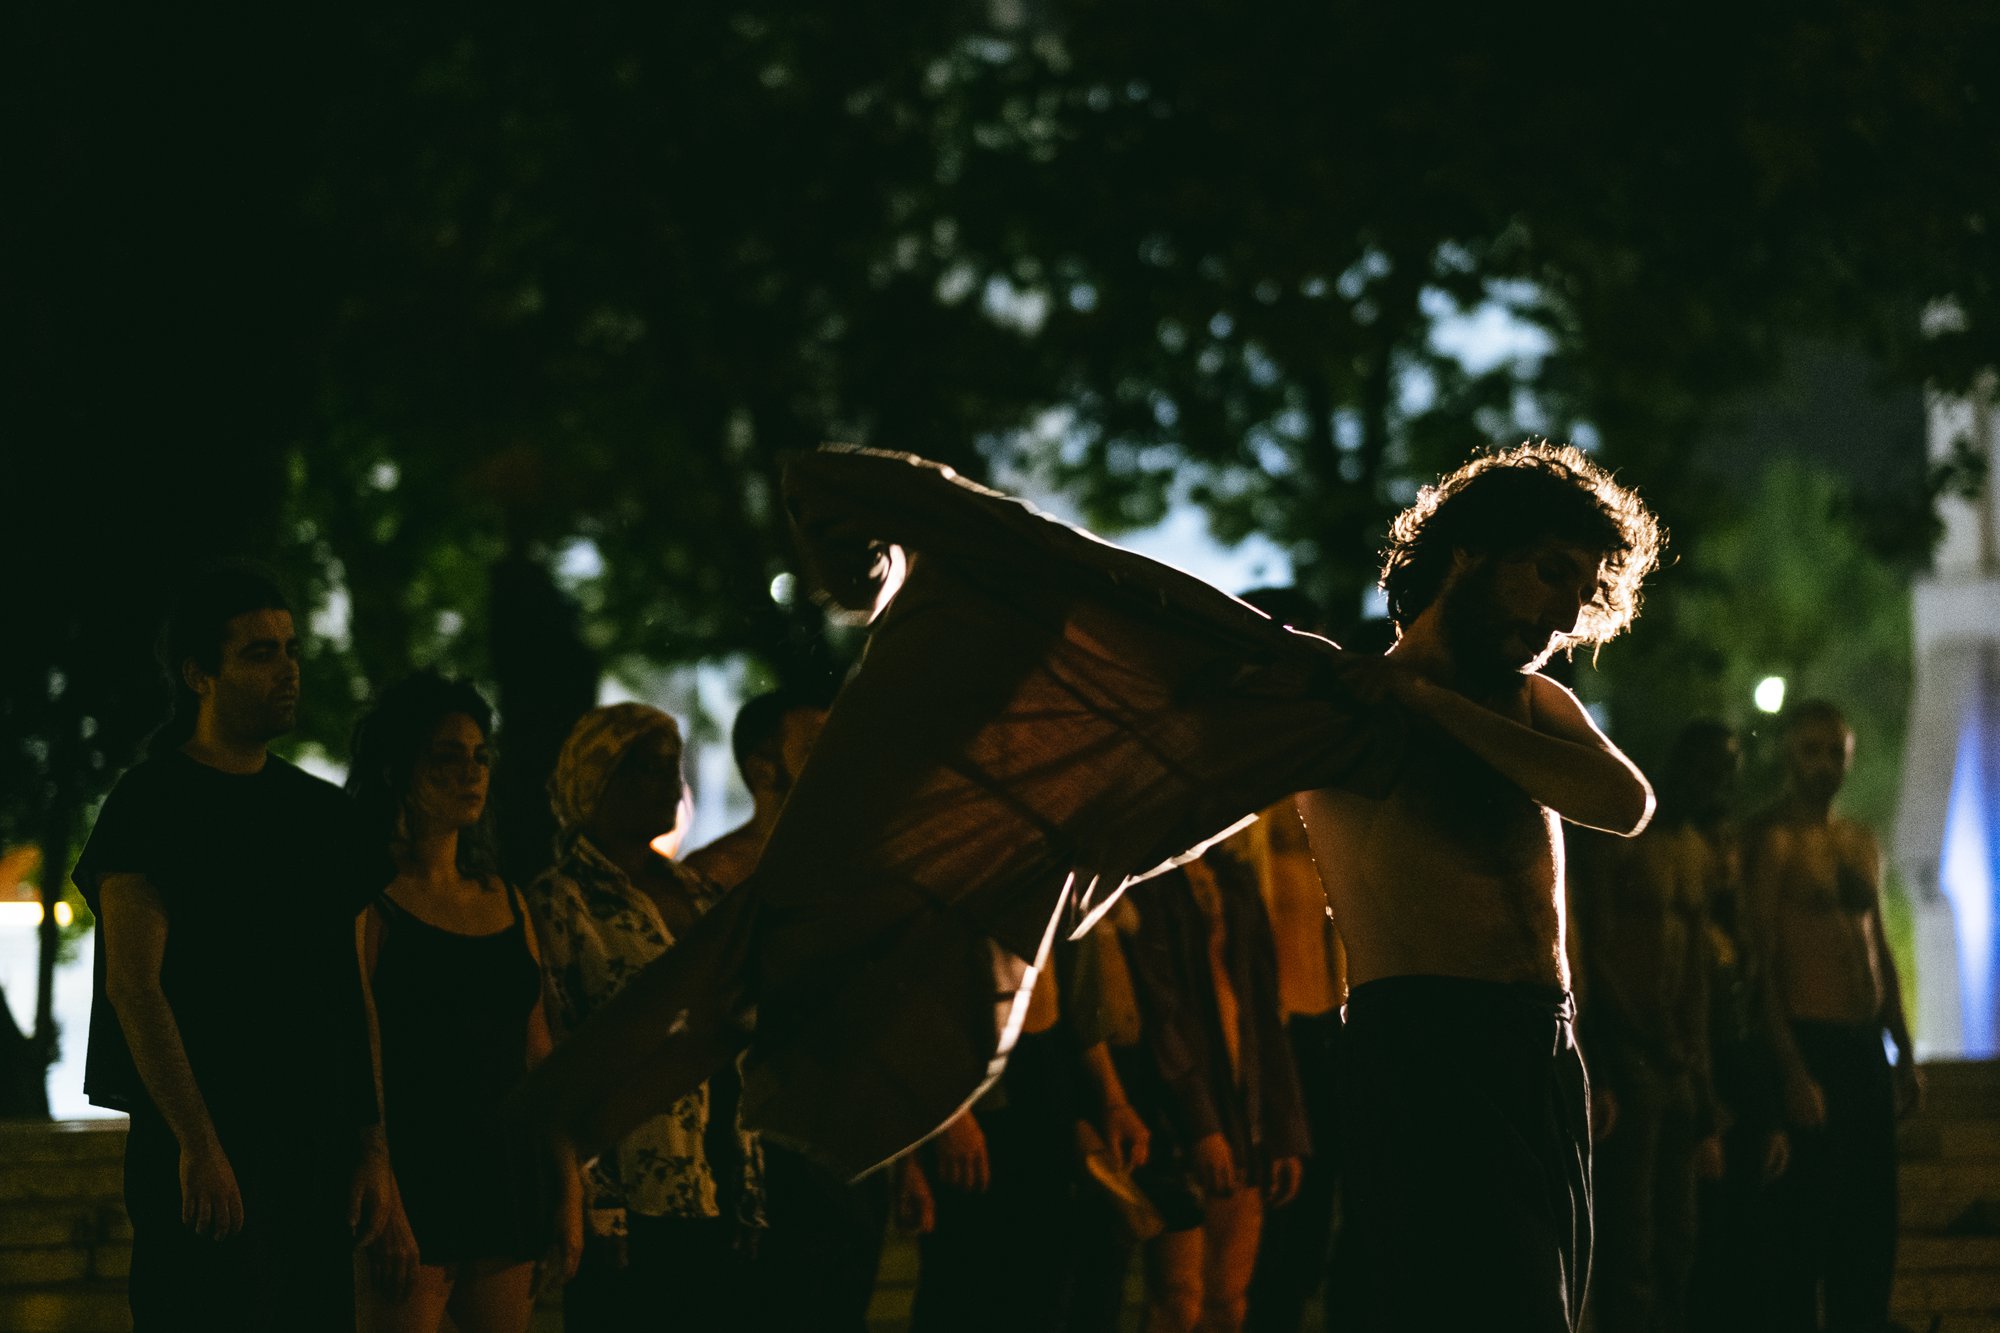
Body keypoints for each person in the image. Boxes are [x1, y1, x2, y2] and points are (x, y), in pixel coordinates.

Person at [1298, 443, 1664, 1332]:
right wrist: (1410, 700)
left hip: (1544, 1045)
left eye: (1581, 589)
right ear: (1469, 552)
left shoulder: (1530, 702)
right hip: (1422, 1043)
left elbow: (1626, 803)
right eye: (1548, 571)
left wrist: (1437, 707)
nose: (1563, 609)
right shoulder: (1342, 703)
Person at [71, 566, 396, 1330]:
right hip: (207, 1152)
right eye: (259, 652)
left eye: (290, 648)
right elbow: (134, 985)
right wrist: (198, 1140)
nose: (286, 668)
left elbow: (352, 992)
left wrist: (373, 1147)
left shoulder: (320, 817)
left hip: (311, 1151)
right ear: (199, 674)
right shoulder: (151, 804)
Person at [345, 673, 580, 1332]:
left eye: (480, 756)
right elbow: (354, 1049)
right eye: (446, 756)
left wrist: (566, 1183)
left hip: (505, 1174)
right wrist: (380, 1178)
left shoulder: (503, 898)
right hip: (413, 1174)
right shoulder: (370, 900)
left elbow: (539, 1055)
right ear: (399, 767)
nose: (470, 772)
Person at [525, 702, 760, 1333]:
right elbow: (563, 1052)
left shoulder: (699, 894)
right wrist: (593, 1200)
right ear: (597, 780)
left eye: (673, 767)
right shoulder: (559, 900)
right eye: (647, 770)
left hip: (720, 1178)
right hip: (629, 1184)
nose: (670, 785)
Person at [686, 688, 887, 1333]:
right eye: (816, 745)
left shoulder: (853, 873)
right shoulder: (712, 877)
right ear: (763, 766)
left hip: (849, 1131)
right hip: (761, 1137)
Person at [1750, 700, 1919, 1332]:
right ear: (1789, 755)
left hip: (1863, 1047)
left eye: (1834, 752)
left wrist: (1903, 1048)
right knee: (1809, 1222)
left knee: (1872, 1222)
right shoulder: (1775, 843)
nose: (1824, 764)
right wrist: (1791, 1069)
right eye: (1810, 750)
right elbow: (1762, 965)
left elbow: (1877, 947)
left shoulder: (1860, 841)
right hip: (1811, 1042)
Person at [1572, 721, 1732, 1332]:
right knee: (1633, 1242)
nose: (1716, 783)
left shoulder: (1694, 851)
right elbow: (1599, 956)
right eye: (1707, 767)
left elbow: (1695, 974)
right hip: (1634, 1056)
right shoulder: (1620, 842)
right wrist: (1610, 1061)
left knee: (1677, 1240)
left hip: (1676, 1062)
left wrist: (1701, 1080)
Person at [1122, 847, 1308, 1333]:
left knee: (1228, 1298)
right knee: (1179, 1298)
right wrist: (1200, 1123)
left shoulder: (1234, 873)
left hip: (1241, 1104)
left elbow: (1264, 1005)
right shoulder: (1148, 876)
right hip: (1176, 1114)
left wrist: (1282, 1128)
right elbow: (1160, 1010)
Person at [1678, 721, 1791, 1333]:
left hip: (1747, 1090)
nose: (1726, 861)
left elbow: (1753, 1018)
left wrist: (1771, 1113)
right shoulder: (1697, 935)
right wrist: (1705, 1111)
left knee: (1752, 1244)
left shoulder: (1739, 934)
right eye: (1716, 848)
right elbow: (1697, 1017)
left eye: (1730, 849)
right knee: (1715, 1249)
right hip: (1716, 1089)